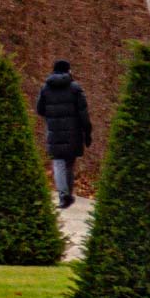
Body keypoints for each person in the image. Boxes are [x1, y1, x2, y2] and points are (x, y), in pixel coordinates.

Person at [34, 59, 92, 209]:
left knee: (58, 163)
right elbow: (84, 114)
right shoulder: (75, 88)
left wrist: (52, 116)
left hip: (54, 132)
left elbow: (39, 109)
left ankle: (63, 195)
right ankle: (68, 194)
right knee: (69, 164)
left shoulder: (45, 88)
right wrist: (87, 132)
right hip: (73, 133)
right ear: (68, 70)